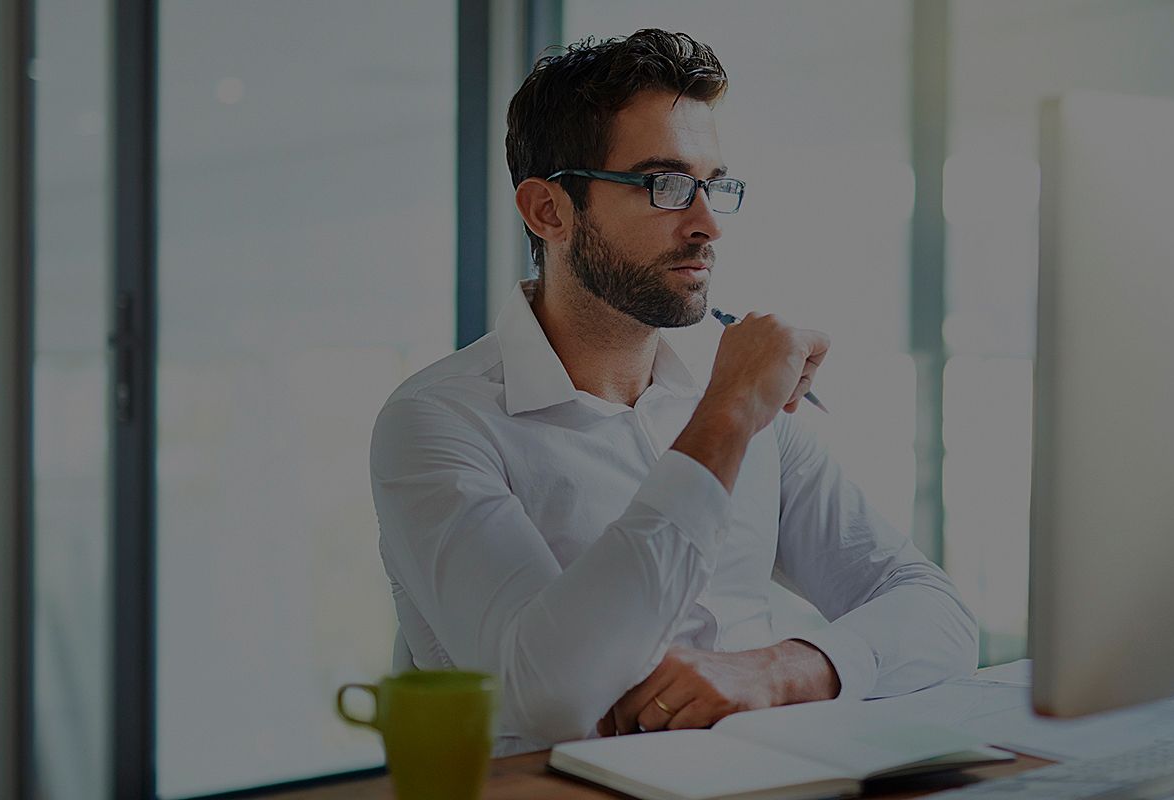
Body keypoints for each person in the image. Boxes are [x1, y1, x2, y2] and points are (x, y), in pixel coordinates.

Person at [370, 29, 978, 756]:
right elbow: (549, 694)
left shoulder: (746, 400)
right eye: (663, 184)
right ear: (548, 212)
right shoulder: (437, 422)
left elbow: (939, 615)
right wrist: (726, 415)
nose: (708, 224)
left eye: (714, 184)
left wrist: (779, 670)